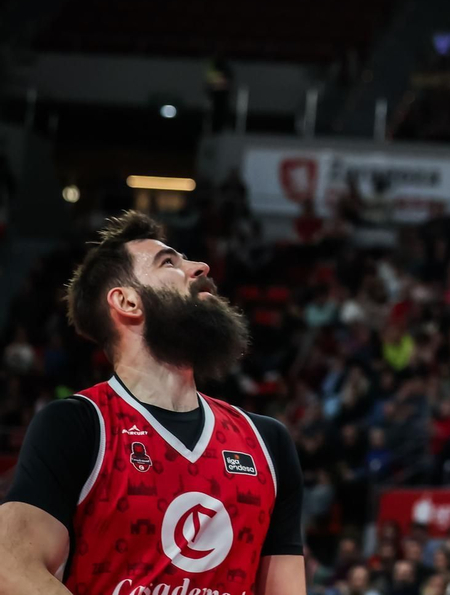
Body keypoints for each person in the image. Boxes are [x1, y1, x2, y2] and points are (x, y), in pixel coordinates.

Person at [0, 211, 306, 595]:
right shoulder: (79, 425)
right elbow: (10, 565)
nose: (200, 266)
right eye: (169, 263)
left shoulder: (267, 443)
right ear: (127, 301)